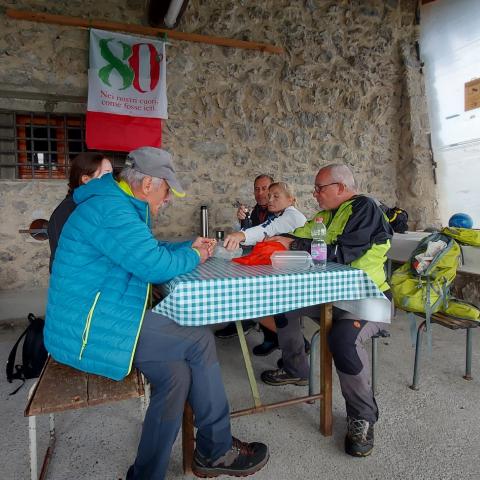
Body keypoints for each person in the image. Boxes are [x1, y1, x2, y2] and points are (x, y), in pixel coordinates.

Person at [44, 147, 269, 480]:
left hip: (104, 316)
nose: (167, 200)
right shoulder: (112, 210)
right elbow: (153, 266)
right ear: (148, 184)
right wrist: (195, 257)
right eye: (166, 191)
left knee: (175, 375)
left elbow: (148, 251)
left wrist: (189, 247)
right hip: (90, 328)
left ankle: (147, 474)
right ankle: (215, 450)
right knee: (198, 339)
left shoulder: (114, 203)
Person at [261, 164, 393, 458]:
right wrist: (266, 240)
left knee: (342, 340)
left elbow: (342, 255)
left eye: (319, 188)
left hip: (367, 297)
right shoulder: (327, 215)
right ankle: (296, 368)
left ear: (341, 188)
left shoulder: (365, 209)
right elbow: (298, 232)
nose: (315, 193)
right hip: (331, 294)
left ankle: (363, 416)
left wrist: (293, 243)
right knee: (284, 305)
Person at [214, 174, 274, 342]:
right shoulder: (257, 210)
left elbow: (264, 233)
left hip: (275, 263)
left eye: (265, 188)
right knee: (234, 272)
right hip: (260, 259)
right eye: (257, 189)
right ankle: (244, 321)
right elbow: (249, 237)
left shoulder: (278, 209)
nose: (260, 193)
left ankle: (270, 334)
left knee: (249, 286)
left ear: (273, 189)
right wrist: (243, 221)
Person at [47, 152, 112, 272]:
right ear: (86, 179)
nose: (112, 181)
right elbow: (67, 260)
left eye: (112, 175)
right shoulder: (67, 211)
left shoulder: (96, 206)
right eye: (107, 174)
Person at [223, 182, 307, 250]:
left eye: (276, 196)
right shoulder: (275, 214)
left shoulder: (292, 215)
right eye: (269, 196)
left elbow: (270, 227)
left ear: (290, 200)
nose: (270, 200)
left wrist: (240, 236)